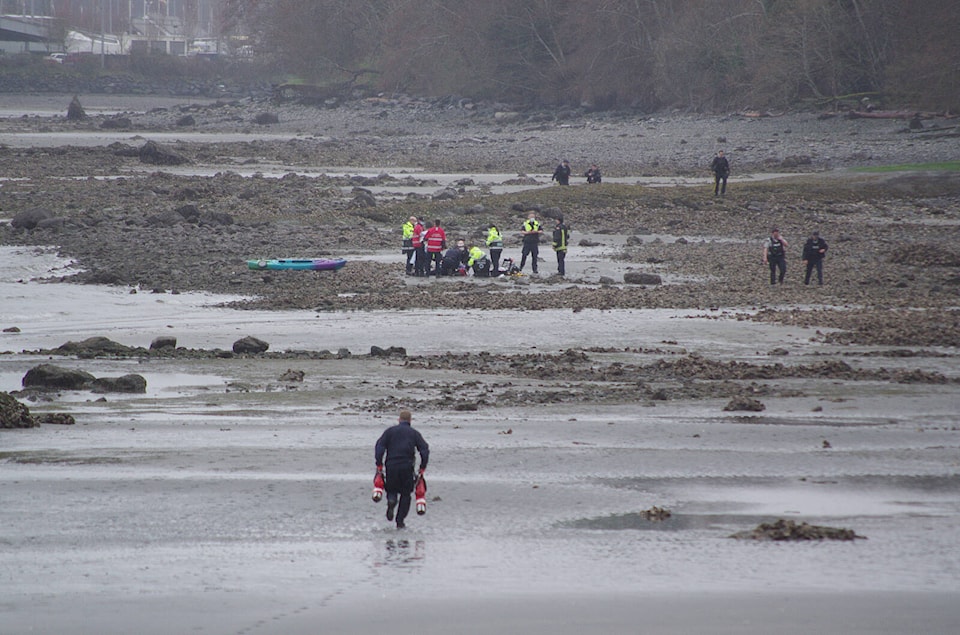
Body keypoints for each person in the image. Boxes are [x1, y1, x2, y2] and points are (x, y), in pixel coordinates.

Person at [375, 410, 429, 530]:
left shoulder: (389, 432)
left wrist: (379, 463)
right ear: (410, 421)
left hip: (391, 466)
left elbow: (379, 447)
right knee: (406, 494)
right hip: (407, 466)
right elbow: (424, 450)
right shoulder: (414, 433)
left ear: (399, 420)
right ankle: (400, 521)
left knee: (392, 489)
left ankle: (391, 500)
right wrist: (422, 467)